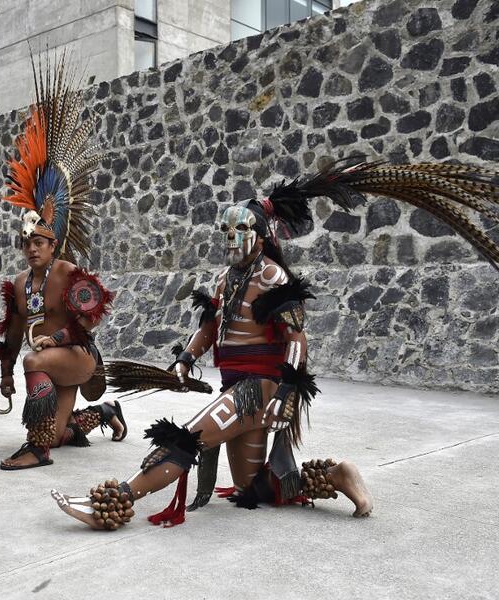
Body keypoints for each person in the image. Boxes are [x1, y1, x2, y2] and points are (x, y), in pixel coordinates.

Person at [52, 158, 499, 531]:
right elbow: (211, 325)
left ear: (261, 234)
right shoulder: (228, 279)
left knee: (187, 438)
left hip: (258, 390)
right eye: (226, 234)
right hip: (235, 386)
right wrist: (187, 357)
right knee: (259, 489)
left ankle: (116, 502)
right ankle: (337, 475)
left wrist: (286, 393)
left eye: (240, 232)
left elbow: (296, 341)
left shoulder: (271, 277)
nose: (232, 241)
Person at [0, 53, 124, 471]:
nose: (32, 248)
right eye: (26, 242)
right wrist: (7, 372)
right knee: (58, 429)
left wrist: (56, 340)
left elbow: (90, 319)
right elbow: (13, 332)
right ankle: (102, 415)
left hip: (76, 357)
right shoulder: (17, 282)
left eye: (40, 241)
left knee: (37, 361)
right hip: (46, 364)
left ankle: (36, 450)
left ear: (54, 243)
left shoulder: (68, 273)